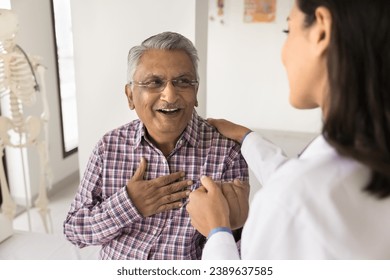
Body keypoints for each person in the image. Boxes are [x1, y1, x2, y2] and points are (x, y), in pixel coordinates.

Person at [186, 0, 390, 259]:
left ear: (321, 31)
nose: (283, 53)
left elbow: (297, 196)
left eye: (288, 31)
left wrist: (217, 231)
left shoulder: (295, 200)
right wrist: (247, 137)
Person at [63, 31, 249, 260]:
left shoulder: (227, 154)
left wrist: (236, 231)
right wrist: (129, 204)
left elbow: (232, 258)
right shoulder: (109, 147)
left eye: (183, 82)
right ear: (130, 95)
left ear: (196, 92)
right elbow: (74, 231)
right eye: (154, 82)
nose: (170, 96)